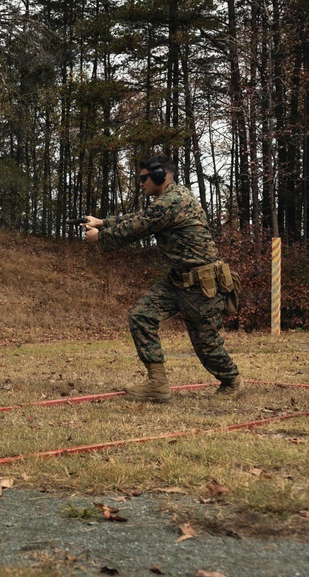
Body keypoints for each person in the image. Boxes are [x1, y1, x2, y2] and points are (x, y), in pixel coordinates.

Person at [80, 155, 242, 401]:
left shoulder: (172, 202)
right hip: (177, 279)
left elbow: (138, 227)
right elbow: (143, 216)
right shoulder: (169, 199)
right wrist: (102, 222)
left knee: (206, 344)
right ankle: (157, 384)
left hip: (200, 284)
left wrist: (100, 236)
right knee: (141, 315)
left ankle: (232, 382)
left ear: (160, 176)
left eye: (144, 178)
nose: (141, 183)